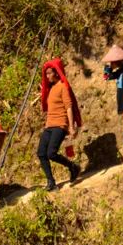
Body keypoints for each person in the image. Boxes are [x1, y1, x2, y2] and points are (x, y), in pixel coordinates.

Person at [38, 58, 82, 191]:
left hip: (60, 125)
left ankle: (72, 167)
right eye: (46, 74)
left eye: (50, 73)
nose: (47, 76)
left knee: (51, 153)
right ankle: (51, 182)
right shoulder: (50, 89)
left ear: (56, 73)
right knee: (41, 153)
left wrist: (71, 126)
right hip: (49, 125)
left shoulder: (63, 86)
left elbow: (69, 106)